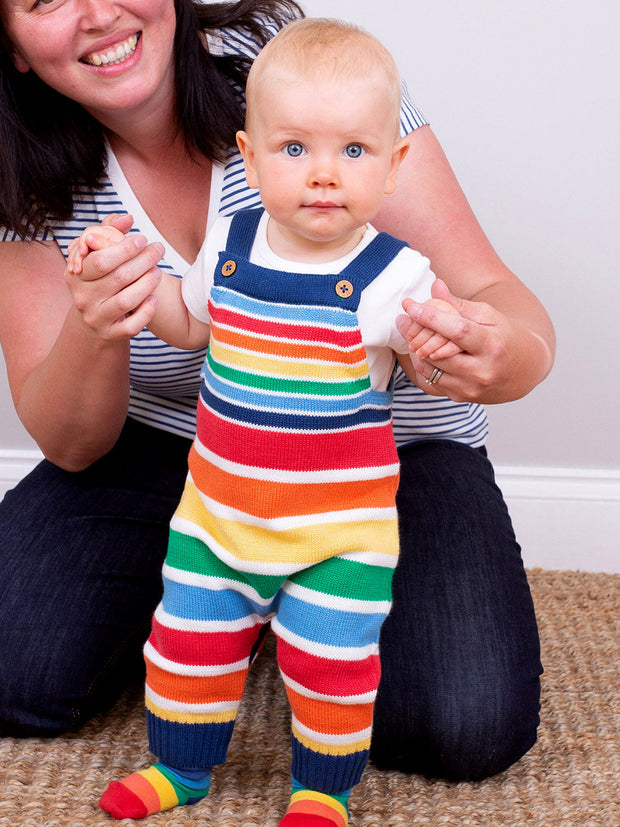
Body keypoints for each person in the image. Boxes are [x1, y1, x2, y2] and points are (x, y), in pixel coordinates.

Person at [0, 0, 553, 800]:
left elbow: (493, 298)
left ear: (383, 162)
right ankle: (218, 633)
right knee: (16, 663)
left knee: (459, 718)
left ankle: (296, 643)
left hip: (371, 473)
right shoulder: (34, 171)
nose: (95, 11)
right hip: (206, 466)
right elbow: (95, 417)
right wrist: (101, 315)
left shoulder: (307, 74)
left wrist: (497, 353)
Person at [65, 19, 450, 823]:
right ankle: (181, 767)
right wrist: (124, 274)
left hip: (337, 534)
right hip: (218, 517)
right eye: (294, 149)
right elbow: (190, 322)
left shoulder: (391, 276)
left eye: (353, 152)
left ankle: (322, 787)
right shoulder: (232, 245)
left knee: (333, 666)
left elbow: (430, 363)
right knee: (186, 648)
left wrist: (441, 340)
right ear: (249, 155)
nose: (322, 176)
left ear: (394, 163)